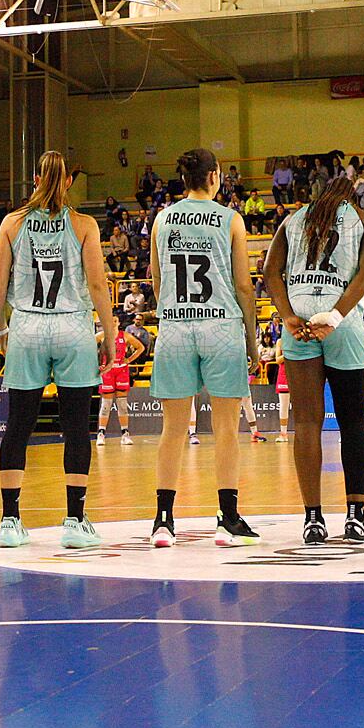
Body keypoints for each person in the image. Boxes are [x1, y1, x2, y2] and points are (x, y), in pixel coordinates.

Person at [0, 151, 112, 550]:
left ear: (35, 178)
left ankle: (10, 520)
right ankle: (75, 520)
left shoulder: (12, 223)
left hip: (27, 325)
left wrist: (1, 328)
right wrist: (108, 331)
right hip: (73, 325)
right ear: (70, 181)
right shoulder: (84, 224)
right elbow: (96, 285)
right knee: (76, 426)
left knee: (18, 424)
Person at [260, 169, 364, 546]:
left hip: (297, 322)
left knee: (308, 424)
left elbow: (270, 272)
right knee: (352, 423)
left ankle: (312, 519)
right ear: (352, 197)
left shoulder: (293, 219)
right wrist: (335, 315)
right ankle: (355, 516)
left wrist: (287, 315)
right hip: (340, 323)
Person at [146, 149, 262, 546]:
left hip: (175, 325)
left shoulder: (162, 219)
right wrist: (252, 338)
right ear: (214, 176)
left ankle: (163, 521)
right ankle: (227, 519)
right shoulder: (230, 219)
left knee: (173, 429)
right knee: (227, 429)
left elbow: (157, 279)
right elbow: (244, 286)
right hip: (220, 324)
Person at [98, 319, 147, 441]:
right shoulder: (102, 335)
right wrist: (97, 363)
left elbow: (140, 348)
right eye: (111, 320)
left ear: (119, 323)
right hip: (107, 371)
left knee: (122, 405)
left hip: (121, 370)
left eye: (115, 320)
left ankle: (125, 434)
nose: (113, 322)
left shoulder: (124, 335)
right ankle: (101, 433)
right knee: (106, 405)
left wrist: (129, 360)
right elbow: (88, 347)